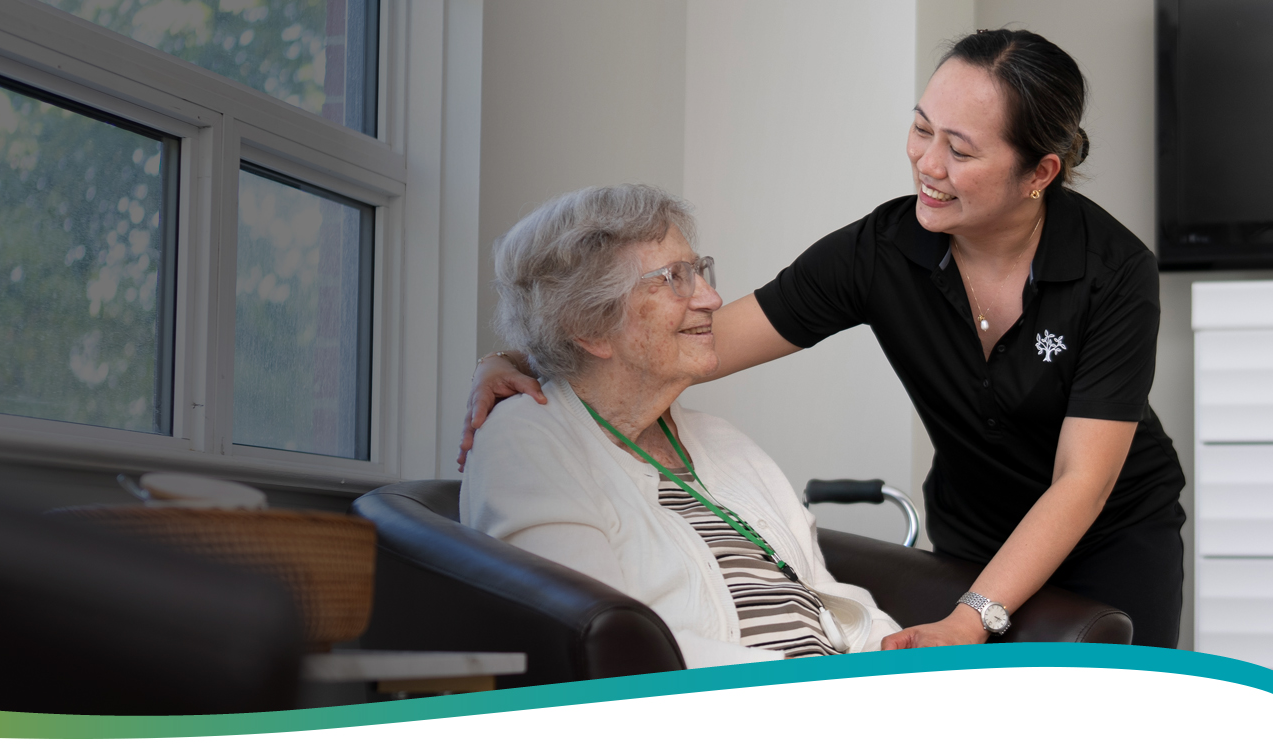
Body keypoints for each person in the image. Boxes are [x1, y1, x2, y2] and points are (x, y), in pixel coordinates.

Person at [462, 29, 1186, 649]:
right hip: (975, 528)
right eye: (922, 129)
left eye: (961, 151)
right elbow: (698, 342)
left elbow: (1082, 481)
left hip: (1111, 532)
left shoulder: (1111, 272)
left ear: (1039, 173)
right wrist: (521, 355)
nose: (928, 165)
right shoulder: (880, 253)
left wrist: (972, 617)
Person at [461, 184, 900, 668]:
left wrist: (896, 654)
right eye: (674, 278)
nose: (712, 298)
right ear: (588, 325)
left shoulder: (723, 441)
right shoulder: (528, 442)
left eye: (699, 271)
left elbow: (826, 594)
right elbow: (602, 646)